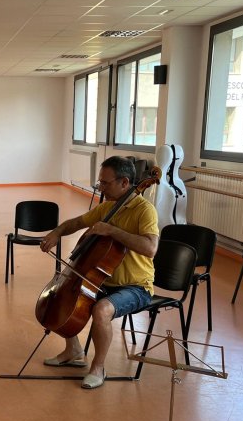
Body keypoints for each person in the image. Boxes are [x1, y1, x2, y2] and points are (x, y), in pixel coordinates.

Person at [40, 156, 159, 389]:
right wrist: (56, 233)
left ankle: (98, 367)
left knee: (101, 309)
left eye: (105, 183)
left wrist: (112, 231)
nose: (100, 188)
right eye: (100, 182)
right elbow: (76, 223)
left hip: (136, 287)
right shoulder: (107, 208)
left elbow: (150, 248)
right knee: (65, 296)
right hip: (104, 281)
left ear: (124, 183)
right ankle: (74, 351)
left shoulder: (145, 211)